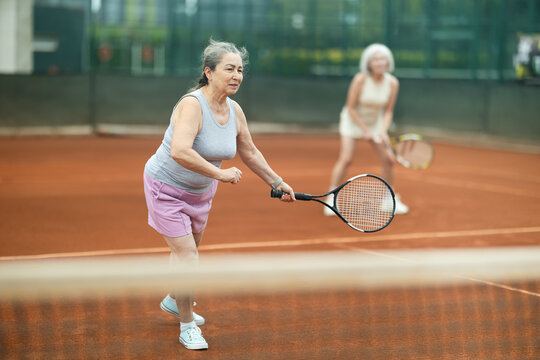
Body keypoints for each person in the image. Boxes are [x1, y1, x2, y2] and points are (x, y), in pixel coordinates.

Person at [143, 39, 295, 350]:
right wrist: (220, 173)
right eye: (229, 69)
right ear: (209, 72)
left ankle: (174, 299)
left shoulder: (235, 110)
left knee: (186, 253)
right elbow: (180, 151)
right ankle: (187, 326)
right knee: (188, 257)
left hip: (200, 194)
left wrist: (277, 182)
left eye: (240, 70)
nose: (237, 75)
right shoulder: (191, 105)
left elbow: (249, 151)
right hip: (166, 189)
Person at [325, 43, 408, 216]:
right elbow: (350, 108)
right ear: (369, 63)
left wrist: (383, 131)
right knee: (346, 159)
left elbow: (388, 111)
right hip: (352, 121)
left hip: (375, 123)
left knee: (389, 159)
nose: (380, 62)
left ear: (388, 61)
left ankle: (388, 199)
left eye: (383, 58)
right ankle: (331, 198)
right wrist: (365, 131)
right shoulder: (360, 80)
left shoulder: (393, 83)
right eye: (376, 59)